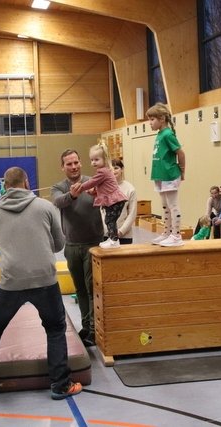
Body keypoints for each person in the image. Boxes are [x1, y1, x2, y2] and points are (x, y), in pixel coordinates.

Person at [0, 166, 81, 405]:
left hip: (11, 282)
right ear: (26, 182)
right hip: (44, 279)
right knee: (55, 330)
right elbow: (58, 244)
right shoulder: (45, 207)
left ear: (5, 185)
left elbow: (0, 245)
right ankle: (61, 385)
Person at [51, 149, 103, 347]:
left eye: (76, 162)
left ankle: (94, 329)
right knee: (80, 289)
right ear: (62, 167)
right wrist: (72, 195)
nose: (73, 167)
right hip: (72, 246)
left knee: (92, 289)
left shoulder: (93, 181)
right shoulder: (59, 187)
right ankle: (86, 326)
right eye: (69, 164)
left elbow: (110, 198)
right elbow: (58, 201)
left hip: (94, 245)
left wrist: (99, 194)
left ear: (81, 163)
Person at [71, 142, 127, 249]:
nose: (93, 162)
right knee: (109, 220)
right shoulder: (103, 171)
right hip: (114, 200)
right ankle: (112, 238)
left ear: (104, 159)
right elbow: (101, 187)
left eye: (96, 160)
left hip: (116, 200)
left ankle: (114, 240)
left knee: (110, 220)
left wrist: (81, 187)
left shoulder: (103, 172)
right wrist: (93, 192)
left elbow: (92, 182)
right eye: (92, 160)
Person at [147, 103, 186, 247]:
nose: (150, 123)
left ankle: (176, 235)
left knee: (173, 205)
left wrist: (182, 170)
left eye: (152, 119)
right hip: (160, 175)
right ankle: (167, 232)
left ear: (162, 119)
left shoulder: (168, 134)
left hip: (169, 174)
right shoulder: (160, 134)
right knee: (165, 206)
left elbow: (180, 153)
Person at [103, 159, 137, 244]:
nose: (113, 171)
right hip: (107, 235)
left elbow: (132, 213)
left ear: (122, 169)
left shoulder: (130, 189)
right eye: (110, 169)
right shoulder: (103, 188)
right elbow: (102, 212)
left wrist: (121, 231)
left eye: (116, 168)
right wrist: (108, 230)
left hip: (124, 236)